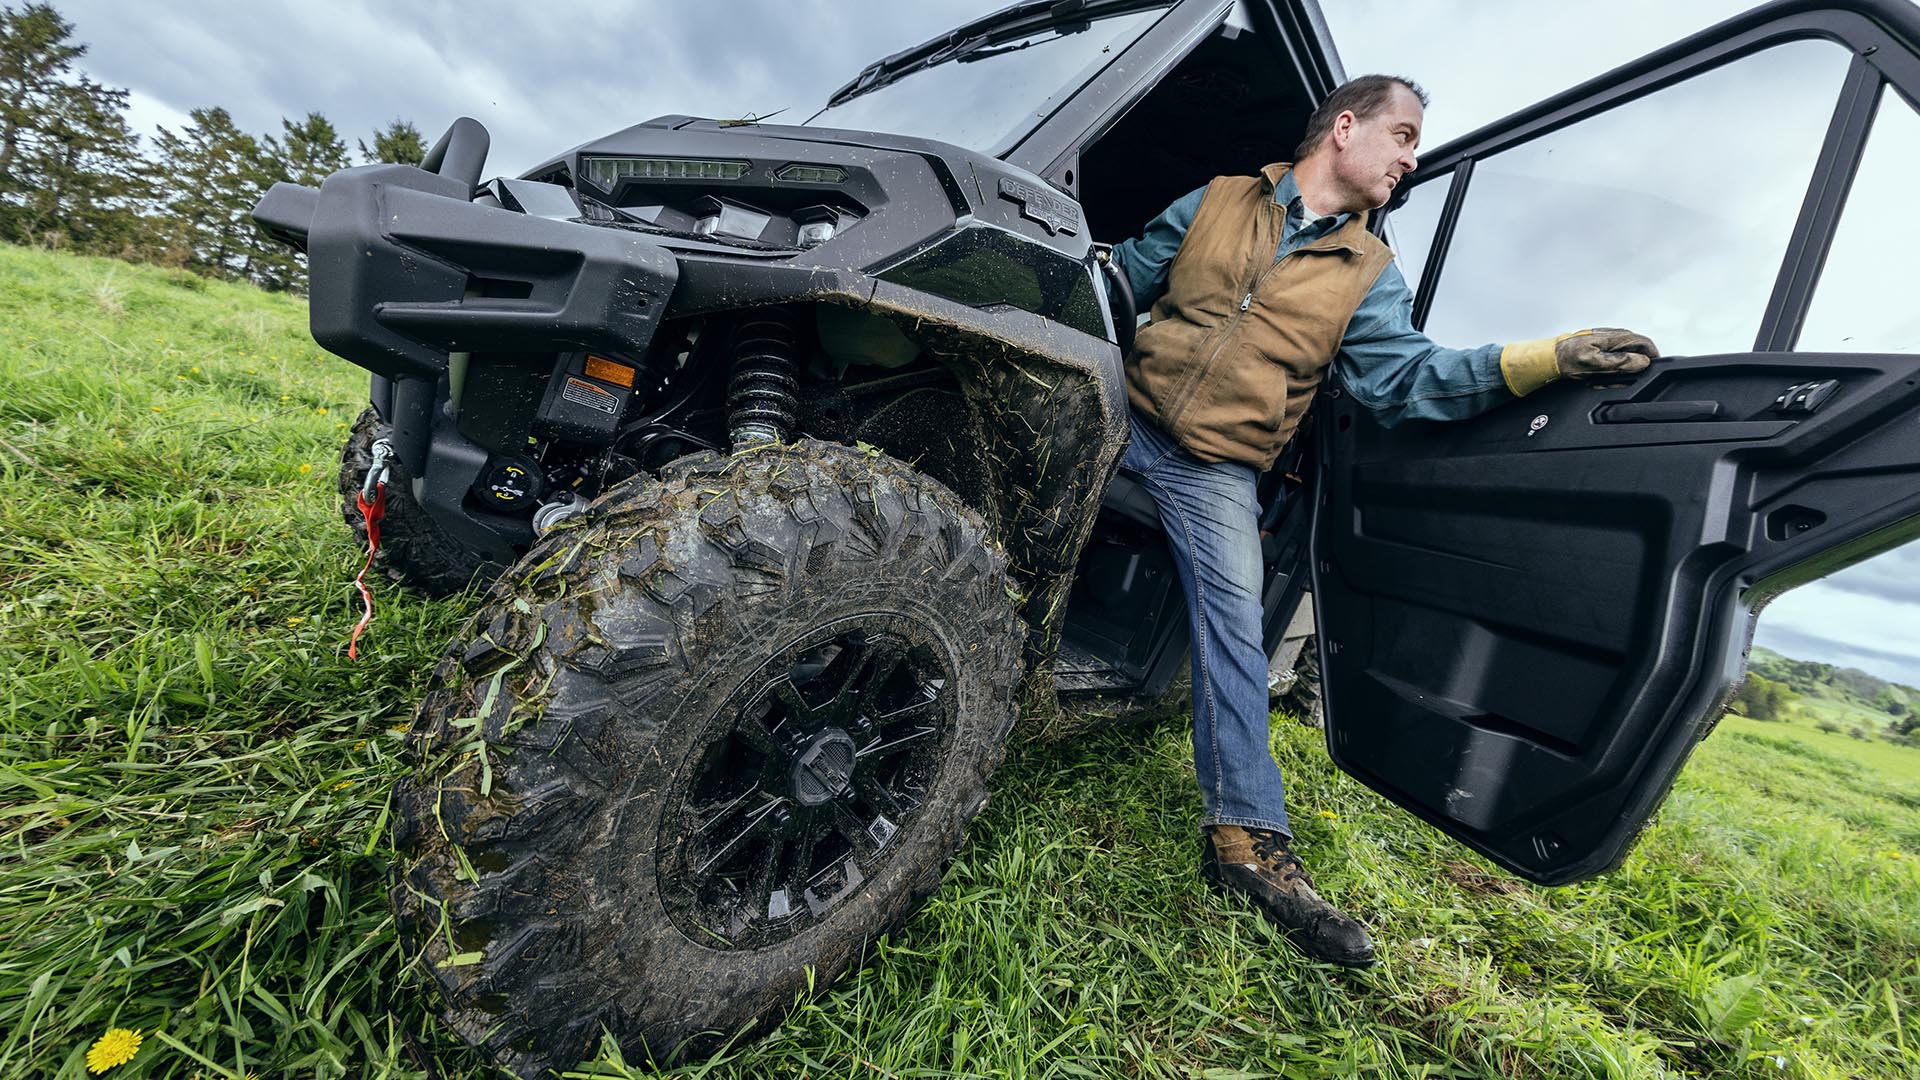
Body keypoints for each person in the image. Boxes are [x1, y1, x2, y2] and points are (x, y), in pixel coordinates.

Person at [1110, 74, 1657, 967]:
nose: (1411, 157)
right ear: (1346, 127)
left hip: (1215, 467)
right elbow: (1125, 282)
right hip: (1122, 408)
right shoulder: (1216, 200)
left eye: (1415, 144)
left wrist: (1542, 358)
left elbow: (1408, 381)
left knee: (1237, 632)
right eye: (1402, 136)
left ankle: (1248, 840)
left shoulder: (1368, 273)